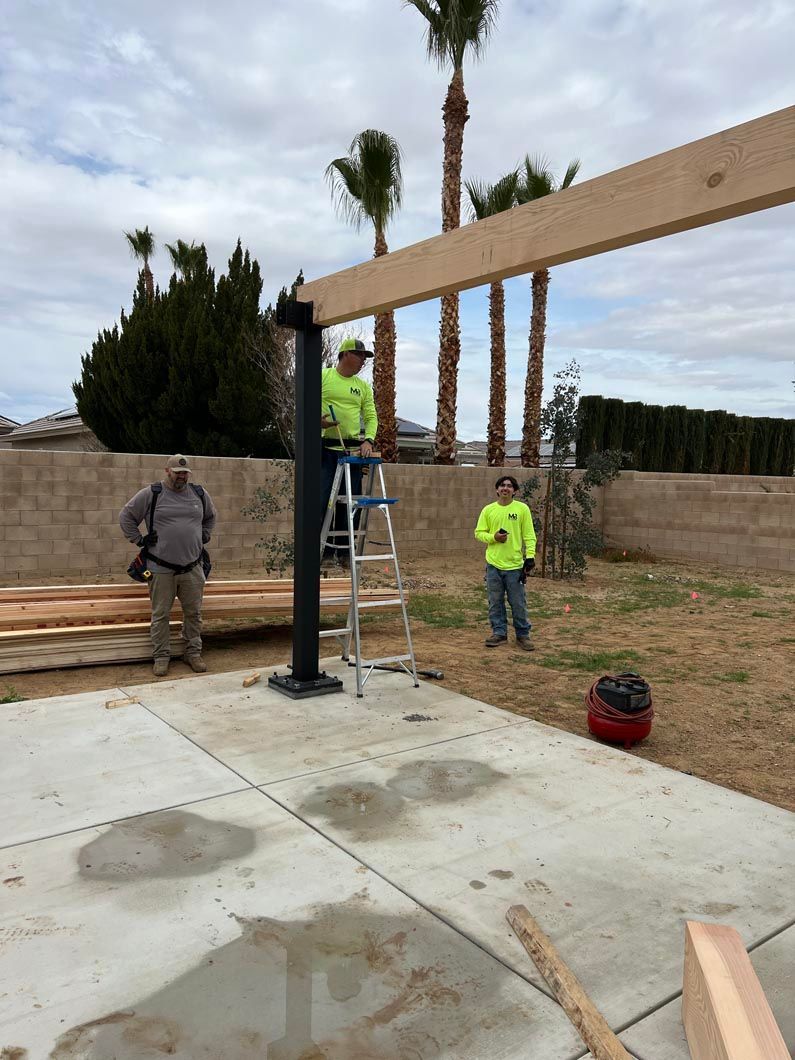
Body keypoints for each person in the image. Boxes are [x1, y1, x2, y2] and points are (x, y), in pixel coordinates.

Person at [119, 455, 217, 677]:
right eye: (177, 472)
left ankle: (192, 653)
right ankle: (161, 656)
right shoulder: (152, 493)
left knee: (193, 613)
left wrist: (206, 533)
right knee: (161, 615)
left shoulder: (199, 494)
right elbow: (126, 515)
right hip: (160, 568)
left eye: (185, 473)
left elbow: (211, 517)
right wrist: (139, 539)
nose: (182, 476)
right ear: (167, 471)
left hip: (192, 567)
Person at [320, 337, 378, 568]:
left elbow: (372, 417)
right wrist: (317, 423)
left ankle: (345, 551)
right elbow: (304, 404)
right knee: (325, 500)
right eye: (359, 355)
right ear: (345, 354)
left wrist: (369, 441)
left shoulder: (362, 387)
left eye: (365, 357)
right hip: (325, 449)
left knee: (350, 502)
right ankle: (324, 552)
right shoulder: (324, 377)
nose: (363, 360)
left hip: (352, 451)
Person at [474, 474, 537, 651]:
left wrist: (529, 557)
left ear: (514, 491)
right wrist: (493, 537)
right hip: (493, 565)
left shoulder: (522, 509)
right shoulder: (488, 510)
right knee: (495, 601)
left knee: (518, 602)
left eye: (509, 486)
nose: (505, 488)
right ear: (497, 489)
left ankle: (523, 635)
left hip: (515, 566)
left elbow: (529, 535)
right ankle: (499, 633)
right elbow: (479, 533)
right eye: (502, 485)